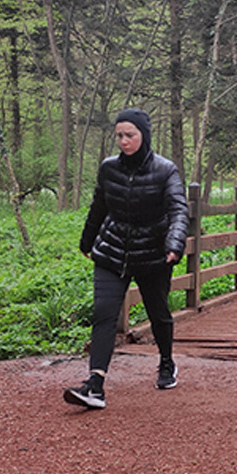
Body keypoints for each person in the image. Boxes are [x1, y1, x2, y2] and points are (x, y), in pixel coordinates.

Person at [65, 108, 190, 410]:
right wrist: (86, 241)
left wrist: (174, 243)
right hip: (112, 250)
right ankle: (95, 384)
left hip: (152, 253)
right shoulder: (109, 168)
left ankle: (166, 362)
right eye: (119, 135)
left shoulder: (165, 170)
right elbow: (99, 206)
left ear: (144, 136)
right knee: (104, 314)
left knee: (158, 313)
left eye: (130, 135)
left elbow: (178, 210)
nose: (123, 141)